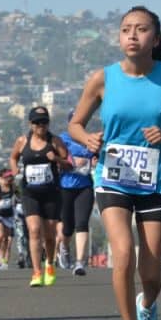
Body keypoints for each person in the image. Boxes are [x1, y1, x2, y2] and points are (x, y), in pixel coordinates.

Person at [70, 5, 161, 320]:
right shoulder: (102, 79)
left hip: (158, 179)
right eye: (126, 29)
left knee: (151, 272)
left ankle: (147, 303)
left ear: (155, 38)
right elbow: (76, 123)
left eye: (141, 30)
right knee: (122, 254)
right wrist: (88, 139)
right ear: (119, 36)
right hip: (113, 178)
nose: (133, 36)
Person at [10, 106, 69, 288]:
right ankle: (36, 272)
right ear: (30, 124)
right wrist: (15, 170)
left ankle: (49, 264)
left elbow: (68, 163)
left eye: (44, 122)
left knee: (50, 236)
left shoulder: (55, 141)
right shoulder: (22, 141)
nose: (40, 126)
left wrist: (56, 159)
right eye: (36, 123)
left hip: (51, 193)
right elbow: (13, 157)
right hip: (30, 192)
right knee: (34, 230)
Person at [59, 110, 97, 275]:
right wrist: (73, 162)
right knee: (68, 227)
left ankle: (80, 262)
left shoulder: (90, 140)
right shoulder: (62, 140)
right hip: (64, 186)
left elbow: (98, 157)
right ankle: (65, 247)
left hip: (85, 186)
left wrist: (93, 160)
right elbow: (56, 159)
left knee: (82, 223)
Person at [0, 169, 16, 269]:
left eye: (10, 177)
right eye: (7, 177)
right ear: (2, 178)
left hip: (8, 216)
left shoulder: (12, 187)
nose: (9, 179)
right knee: (0, 235)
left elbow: (19, 194)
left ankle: (3, 259)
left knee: (6, 239)